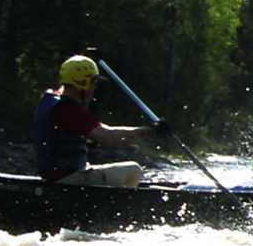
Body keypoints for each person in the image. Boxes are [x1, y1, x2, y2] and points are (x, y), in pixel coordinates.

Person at [34, 55, 165, 187]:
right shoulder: (69, 111)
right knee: (134, 170)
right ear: (81, 82)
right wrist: (150, 130)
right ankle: (120, 206)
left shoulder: (53, 101)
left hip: (56, 177)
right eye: (93, 81)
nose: (95, 87)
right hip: (68, 180)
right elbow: (109, 135)